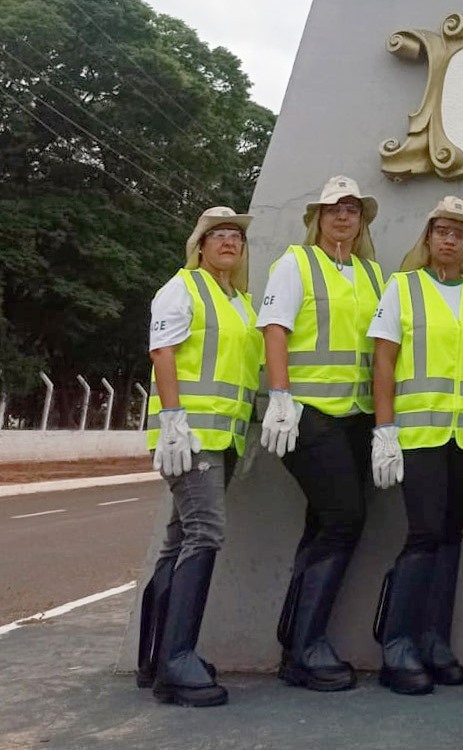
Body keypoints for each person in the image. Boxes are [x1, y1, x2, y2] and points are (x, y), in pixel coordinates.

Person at [368, 196, 463, 696]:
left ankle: (434, 641)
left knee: (451, 536)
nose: (450, 240)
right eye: (442, 231)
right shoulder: (403, 288)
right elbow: (384, 361)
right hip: (418, 435)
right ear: (428, 238)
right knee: (424, 534)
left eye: (460, 233)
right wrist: (384, 430)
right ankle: (397, 645)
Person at [257, 175, 384, 692]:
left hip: (356, 417)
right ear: (317, 217)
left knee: (323, 524)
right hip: (307, 414)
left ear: (362, 220)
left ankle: (295, 644)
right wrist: (280, 396)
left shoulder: (371, 274)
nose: (343, 216)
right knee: (343, 519)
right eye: (334, 209)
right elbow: (275, 329)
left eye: (352, 209)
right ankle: (307, 646)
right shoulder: (296, 263)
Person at [141, 206, 263, 707]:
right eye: (219, 235)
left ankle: (157, 657)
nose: (229, 242)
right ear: (200, 245)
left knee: (179, 539)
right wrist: (172, 419)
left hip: (223, 438)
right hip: (189, 437)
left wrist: (251, 429)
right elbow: (162, 352)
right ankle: (177, 660)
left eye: (236, 236)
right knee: (205, 532)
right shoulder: (182, 288)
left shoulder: (241, 303)